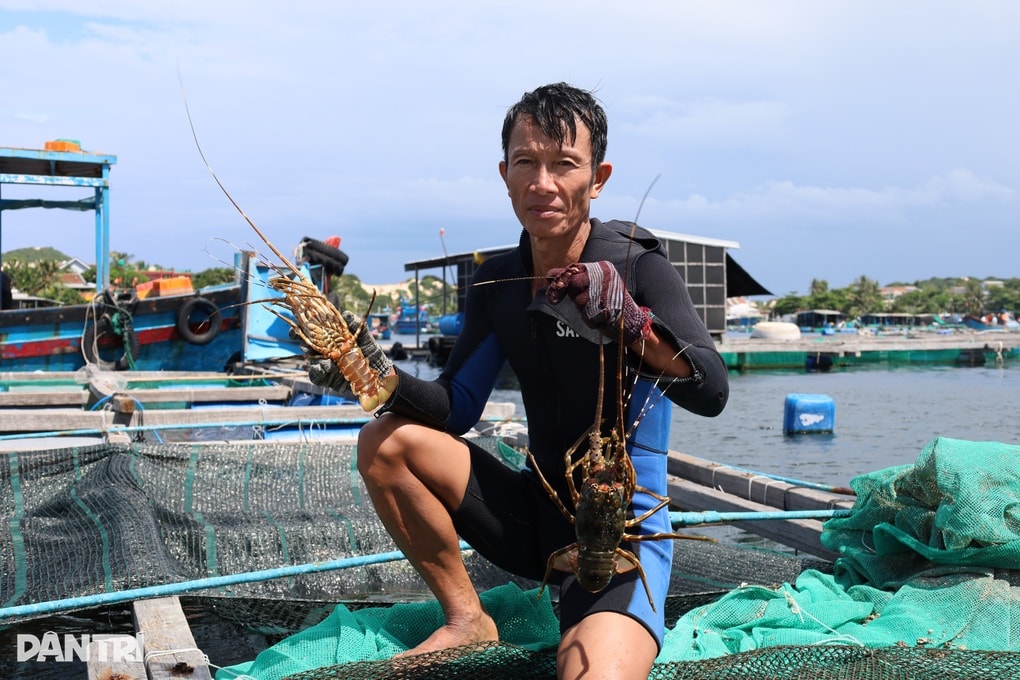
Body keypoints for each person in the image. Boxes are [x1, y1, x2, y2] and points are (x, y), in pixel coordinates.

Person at [309, 82, 729, 679]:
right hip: (534, 514)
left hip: (617, 535)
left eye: (565, 164)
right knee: (384, 441)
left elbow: (711, 391)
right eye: (526, 162)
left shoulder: (640, 268)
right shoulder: (495, 281)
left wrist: (632, 323)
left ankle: (607, 617)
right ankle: (465, 619)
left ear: (599, 176)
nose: (543, 182)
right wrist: (369, 369)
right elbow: (455, 409)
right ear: (504, 174)